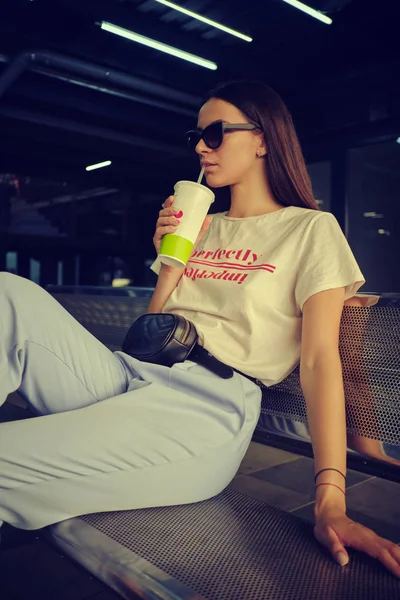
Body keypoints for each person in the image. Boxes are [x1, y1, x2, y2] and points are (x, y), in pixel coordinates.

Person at [0, 80, 399, 580]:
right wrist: (170, 261)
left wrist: (331, 501)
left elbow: (320, 360)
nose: (199, 147)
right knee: (7, 293)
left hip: (204, 408)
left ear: (263, 139)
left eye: (214, 133)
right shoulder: (202, 223)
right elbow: (150, 329)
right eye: (196, 135)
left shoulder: (310, 229)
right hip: (130, 376)